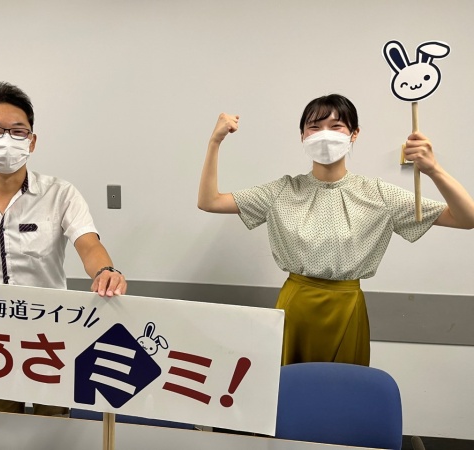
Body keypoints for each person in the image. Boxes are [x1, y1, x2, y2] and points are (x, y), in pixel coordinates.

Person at [198, 94, 474, 367]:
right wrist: (215, 142)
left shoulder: (377, 193)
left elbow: (466, 218)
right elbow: (209, 201)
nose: (324, 134)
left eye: (336, 126)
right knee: (289, 385)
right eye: (314, 127)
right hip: (295, 306)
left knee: (343, 387)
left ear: (354, 134)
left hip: (348, 308)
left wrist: (434, 170)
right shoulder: (282, 191)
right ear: (302, 135)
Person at [0, 81, 127, 420]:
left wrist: (106, 271)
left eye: (18, 131)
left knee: (54, 422)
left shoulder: (60, 193)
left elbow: (88, 243)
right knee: (1, 424)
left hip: (50, 332)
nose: (6, 140)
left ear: (31, 141)